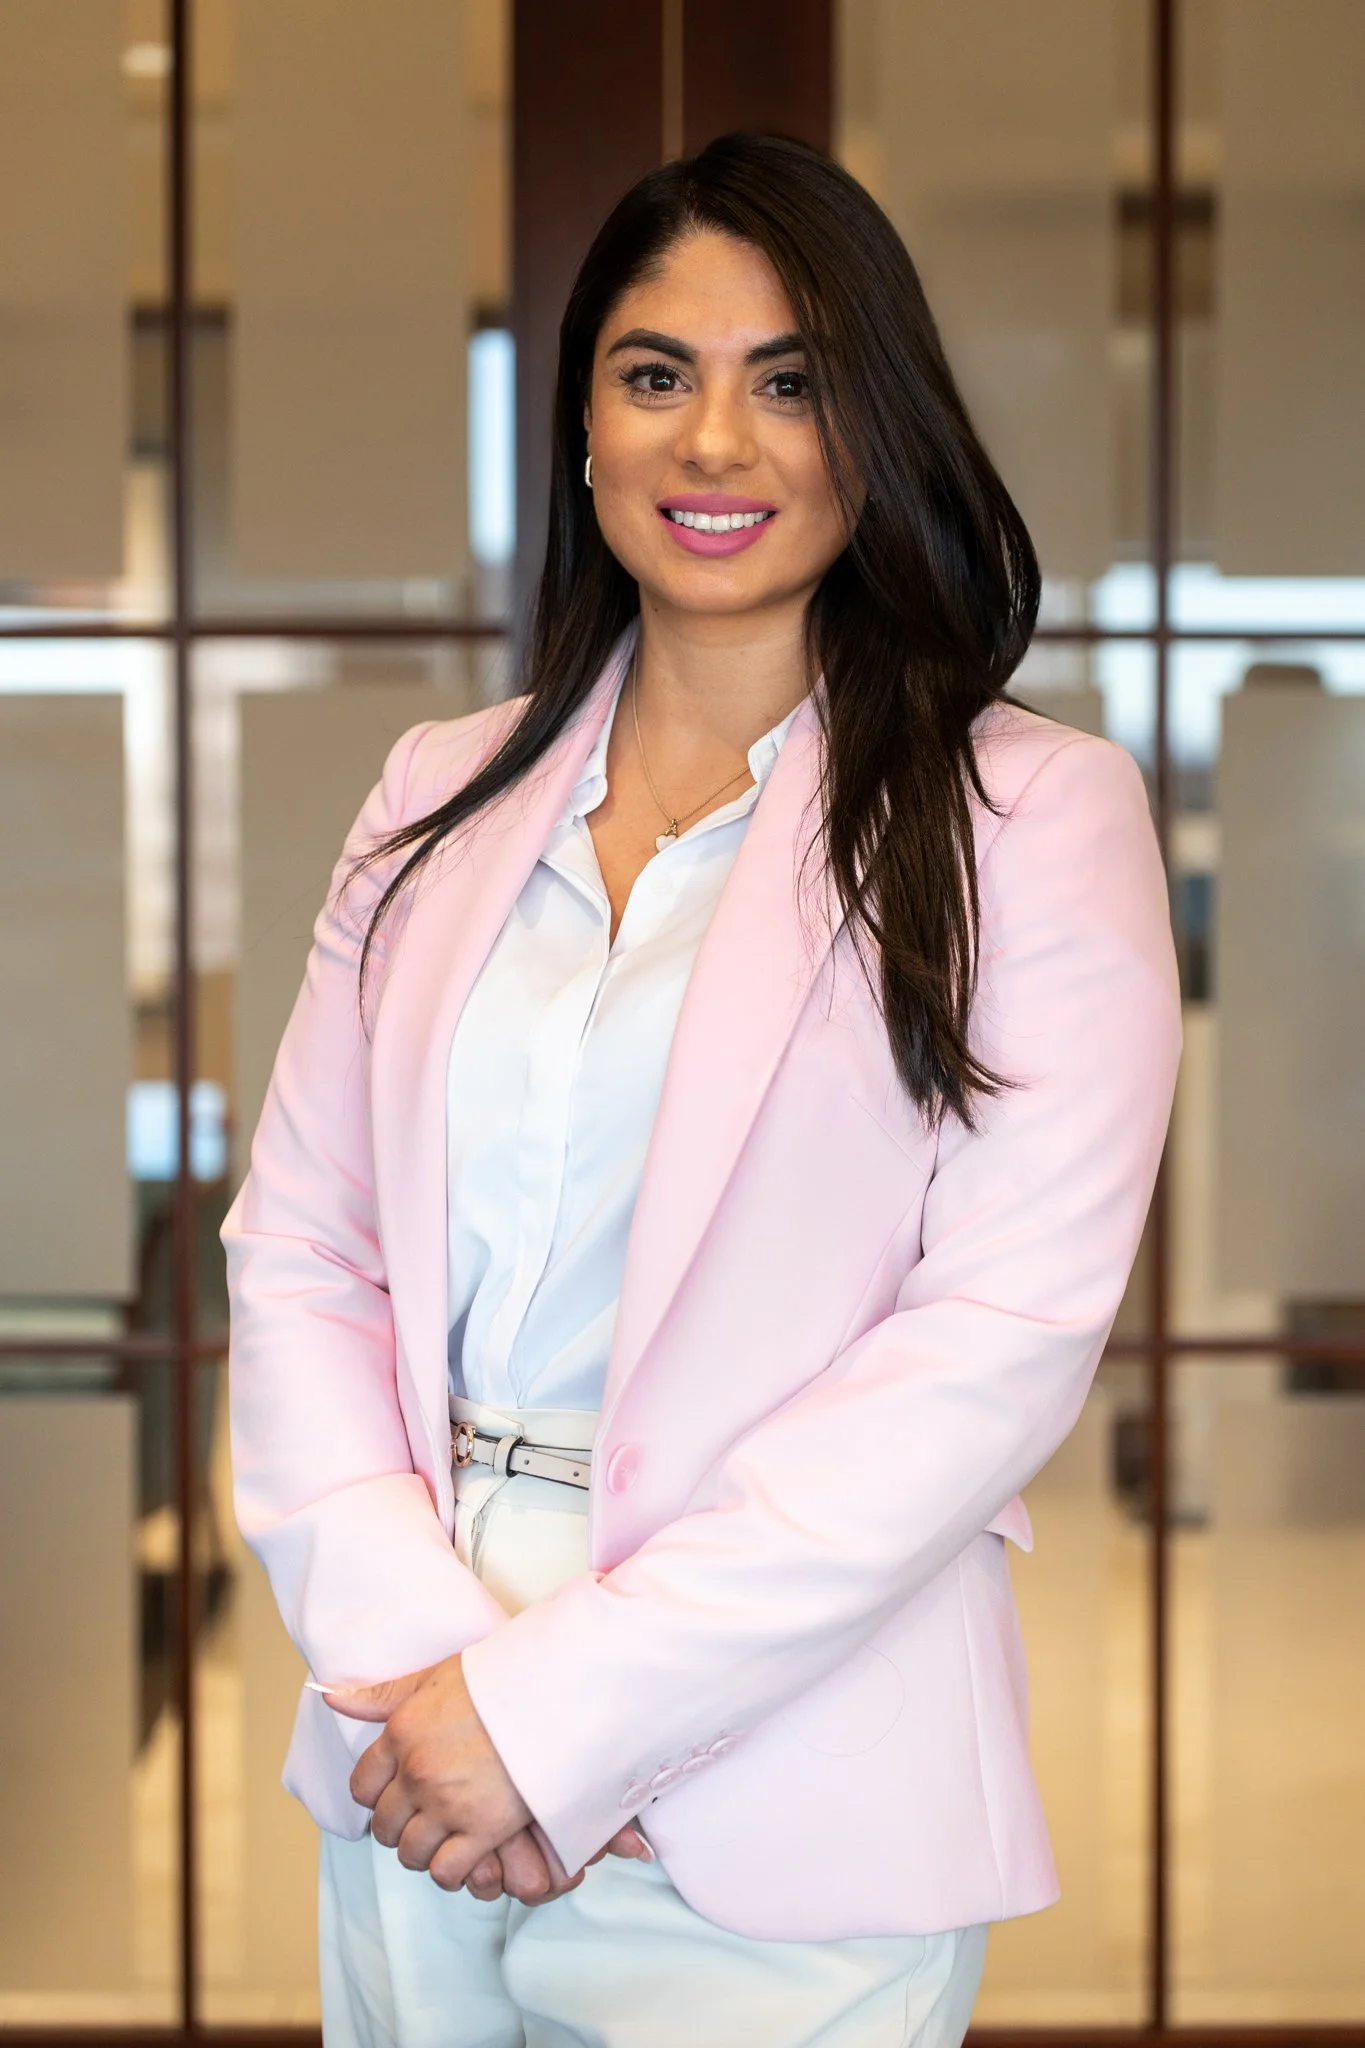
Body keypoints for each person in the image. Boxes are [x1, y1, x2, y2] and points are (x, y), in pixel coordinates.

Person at [224, 132, 1181, 2048]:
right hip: (413, 1740)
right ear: (583, 424)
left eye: (793, 381)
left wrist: (563, 1717)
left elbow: (990, 1345)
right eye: (657, 374)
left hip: (785, 1792)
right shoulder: (437, 793)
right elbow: (304, 1251)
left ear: (874, 426)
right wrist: (441, 1683)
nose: (715, 444)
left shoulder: (1032, 822)